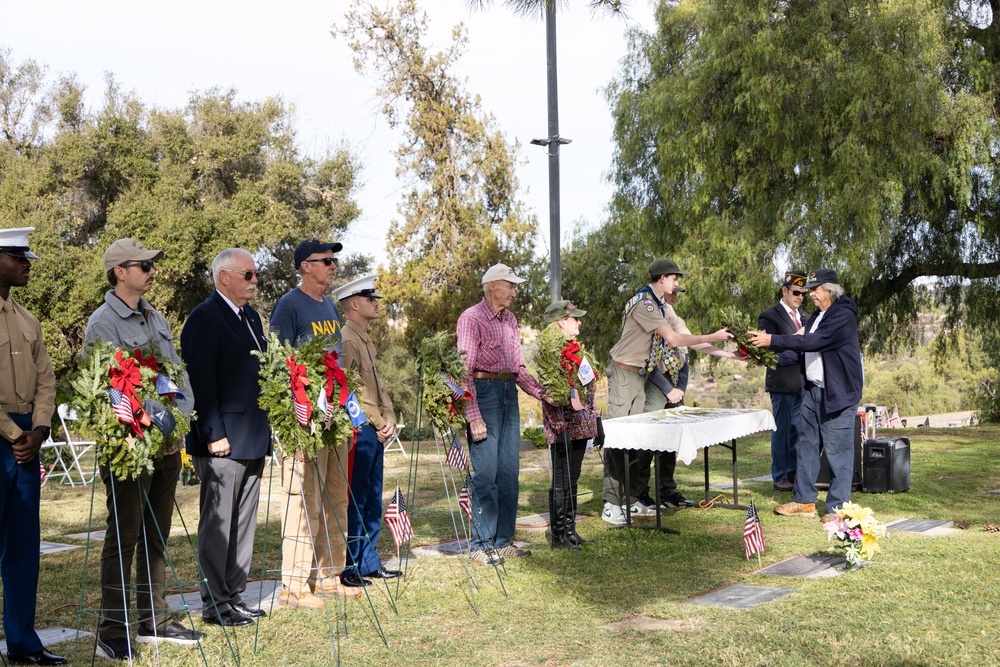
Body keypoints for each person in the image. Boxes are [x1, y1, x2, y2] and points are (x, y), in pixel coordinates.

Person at [84, 238, 199, 660]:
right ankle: (113, 629)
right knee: (125, 535)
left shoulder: (156, 317)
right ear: (120, 272)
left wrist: (179, 423)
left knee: (157, 533)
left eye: (152, 265)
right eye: (144, 266)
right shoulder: (103, 323)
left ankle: (155, 618)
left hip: (169, 444)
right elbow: (113, 390)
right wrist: (155, 427)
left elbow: (177, 375)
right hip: (131, 446)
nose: (152, 271)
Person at [602, 259, 735, 526]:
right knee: (618, 439)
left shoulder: (663, 307)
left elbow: (689, 339)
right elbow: (674, 340)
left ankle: (629, 501)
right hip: (624, 373)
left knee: (634, 439)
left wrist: (731, 355)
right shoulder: (645, 303)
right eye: (675, 278)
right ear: (662, 278)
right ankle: (611, 503)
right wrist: (716, 335)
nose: (677, 284)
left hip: (638, 375)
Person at [181, 248, 271, 627]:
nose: (254, 281)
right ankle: (214, 603)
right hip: (222, 440)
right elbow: (201, 382)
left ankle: (234, 595)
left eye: (255, 274)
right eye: (248, 274)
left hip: (251, 434)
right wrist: (213, 434)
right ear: (224, 278)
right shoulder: (204, 318)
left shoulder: (250, 316)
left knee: (244, 523)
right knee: (218, 526)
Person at [270, 239, 359, 608]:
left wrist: (350, 415)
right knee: (303, 498)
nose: (333, 265)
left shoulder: (329, 308)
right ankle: (293, 586)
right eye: (325, 260)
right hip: (306, 420)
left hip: (334, 416)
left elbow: (337, 363)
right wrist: (295, 419)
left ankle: (328, 575)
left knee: (335, 497)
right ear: (306, 266)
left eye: (334, 259)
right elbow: (279, 364)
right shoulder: (288, 307)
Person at [457, 264, 556, 566]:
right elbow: (462, 371)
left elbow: (519, 368)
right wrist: (473, 414)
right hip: (482, 392)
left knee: (509, 473)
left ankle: (503, 542)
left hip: (507, 393)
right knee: (485, 474)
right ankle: (481, 546)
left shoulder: (510, 320)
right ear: (492, 287)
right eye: (510, 285)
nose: (514, 291)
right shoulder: (471, 318)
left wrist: (542, 393)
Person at [749, 268, 863, 520]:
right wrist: (766, 357)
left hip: (838, 394)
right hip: (812, 391)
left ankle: (838, 509)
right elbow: (800, 352)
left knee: (838, 452)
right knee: (807, 447)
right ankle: (804, 501)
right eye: (810, 290)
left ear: (830, 290)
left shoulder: (842, 315)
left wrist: (773, 340)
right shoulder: (818, 316)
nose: (811, 295)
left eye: (815, 289)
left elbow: (813, 342)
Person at [0, 228, 65, 666]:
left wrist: (39, 430)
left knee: (24, 549)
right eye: (17, 256)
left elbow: (46, 378)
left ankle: (23, 644)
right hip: (5, 433)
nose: (27, 263)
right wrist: (13, 433)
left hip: (28, 436)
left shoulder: (27, 318)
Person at [633, 286, 738, 513]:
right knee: (648, 439)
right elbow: (645, 359)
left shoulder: (672, 314)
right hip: (653, 384)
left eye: (678, 292)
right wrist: (667, 389)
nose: (675, 295)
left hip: (673, 387)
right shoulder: (649, 311)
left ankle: (666, 491)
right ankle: (639, 493)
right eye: (673, 290)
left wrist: (728, 354)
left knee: (670, 441)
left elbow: (689, 346)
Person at [335, 275, 400, 585]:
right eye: (369, 298)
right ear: (354, 304)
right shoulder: (347, 338)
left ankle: (369, 561)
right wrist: (377, 421)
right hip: (360, 428)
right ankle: (350, 565)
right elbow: (351, 390)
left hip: (375, 428)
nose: (376, 302)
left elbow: (378, 385)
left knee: (374, 496)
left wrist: (390, 416)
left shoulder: (364, 337)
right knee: (357, 498)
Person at [539, 300, 602, 549]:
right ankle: (559, 535)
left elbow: (588, 389)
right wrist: (558, 426)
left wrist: (597, 420)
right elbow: (549, 395)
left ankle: (570, 530)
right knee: (562, 479)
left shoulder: (577, 350)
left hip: (582, 424)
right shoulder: (550, 354)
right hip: (563, 425)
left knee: (573, 477)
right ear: (562, 322)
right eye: (574, 318)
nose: (579, 322)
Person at [757, 271, 809, 492]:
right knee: (782, 430)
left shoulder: (806, 317)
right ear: (784, 290)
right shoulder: (770, 316)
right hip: (782, 381)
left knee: (798, 430)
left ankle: (795, 473)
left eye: (803, 293)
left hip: (803, 382)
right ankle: (780, 475)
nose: (800, 297)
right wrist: (799, 342)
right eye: (796, 292)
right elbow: (769, 351)